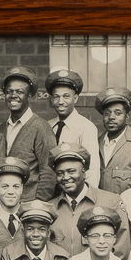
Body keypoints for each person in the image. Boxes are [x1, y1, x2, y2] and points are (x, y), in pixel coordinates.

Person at [46, 144, 129, 259]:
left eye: (71, 171)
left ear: (84, 172)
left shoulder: (111, 202)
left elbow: (121, 250)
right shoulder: (50, 208)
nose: (65, 177)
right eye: (60, 173)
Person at [40, 69, 99, 200]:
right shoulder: (46, 126)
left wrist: (86, 199)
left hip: (74, 193)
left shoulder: (86, 127)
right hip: (48, 194)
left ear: (75, 98)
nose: (61, 101)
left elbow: (92, 169)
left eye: (66, 96)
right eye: (56, 96)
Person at [0, 68, 56, 201]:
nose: (13, 95)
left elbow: (48, 172)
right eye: (9, 91)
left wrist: (37, 206)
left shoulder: (41, 127)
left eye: (19, 92)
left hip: (29, 206)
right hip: (5, 205)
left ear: (29, 95)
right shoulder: (1, 129)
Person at [92, 86, 131, 195]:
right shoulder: (95, 143)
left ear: (127, 116)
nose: (111, 117)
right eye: (107, 113)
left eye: (118, 113)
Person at [0, 157, 30, 250]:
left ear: (22, 188)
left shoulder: (31, 219)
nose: (10, 191)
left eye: (16, 186)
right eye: (5, 186)